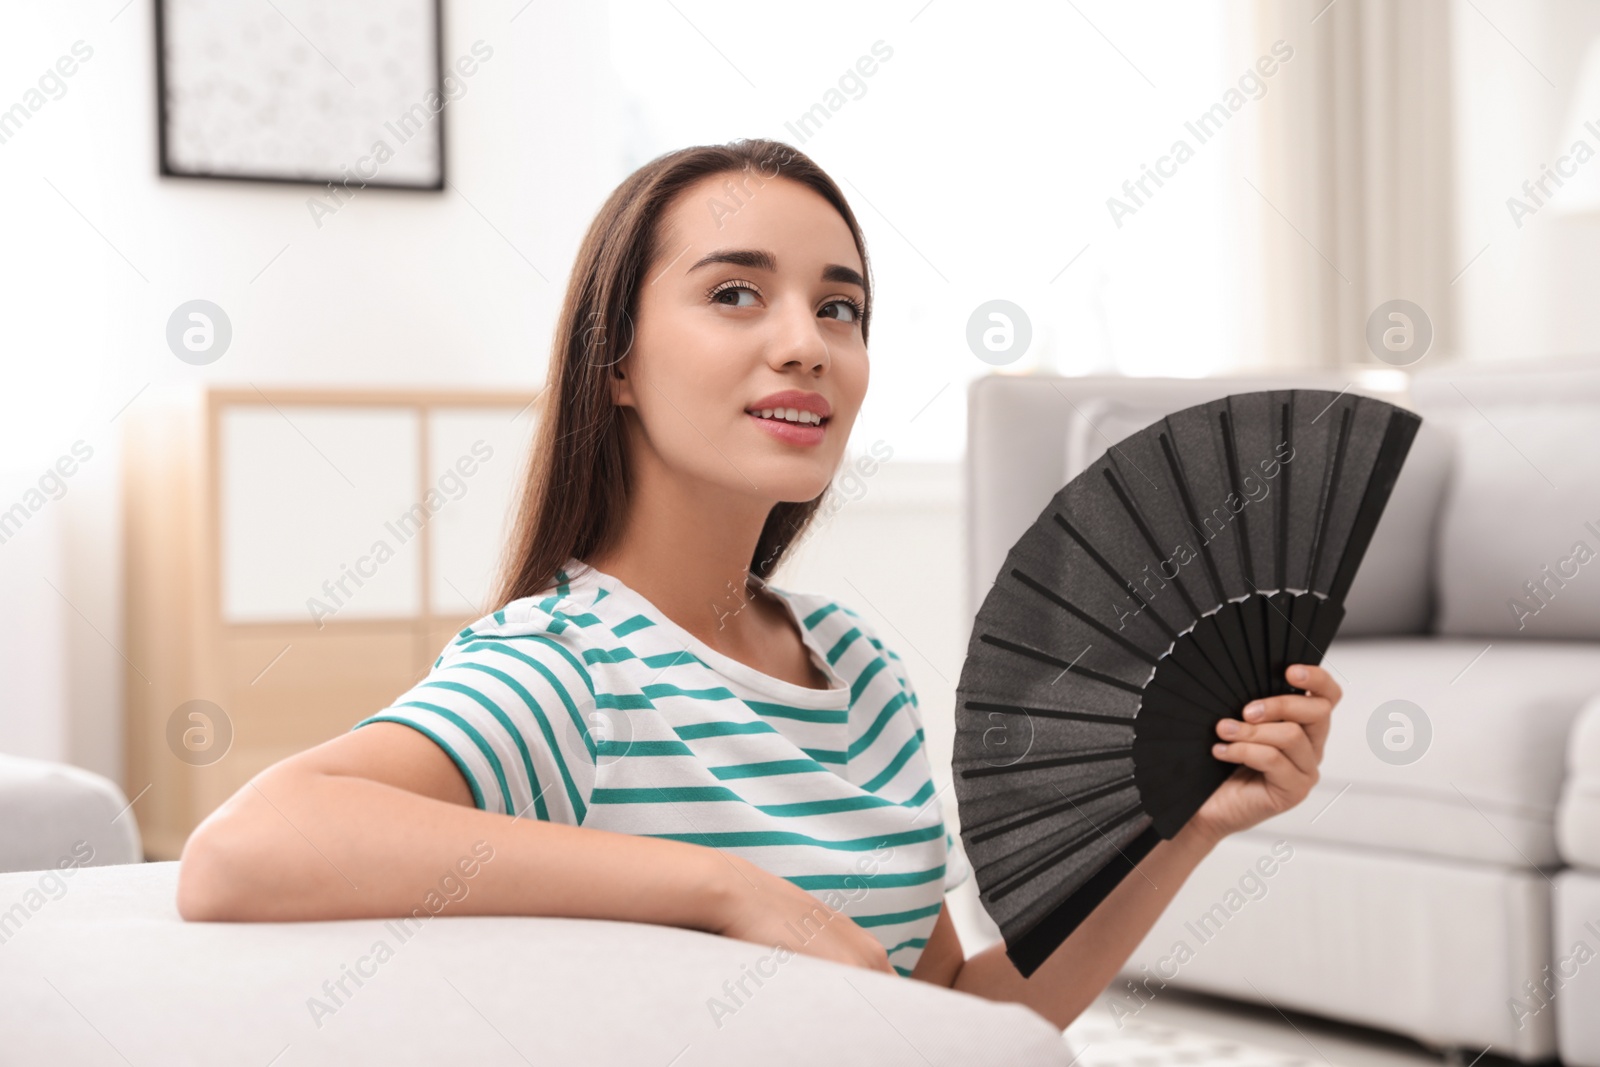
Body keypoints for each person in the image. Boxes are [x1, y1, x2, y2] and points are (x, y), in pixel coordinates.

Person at [176, 137, 1343, 1030]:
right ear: (616, 361)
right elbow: (242, 848)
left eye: (840, 307)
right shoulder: (569, 667)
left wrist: (1178, 833)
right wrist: (727, 891)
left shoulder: (856, 666)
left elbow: (953, 1018)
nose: (807, 342)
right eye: (736, 292)